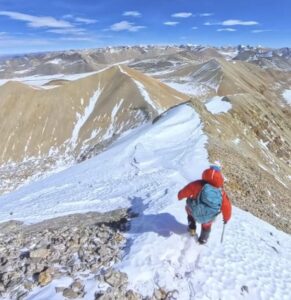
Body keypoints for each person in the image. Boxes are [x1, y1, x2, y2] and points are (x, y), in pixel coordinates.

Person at [177, 165, 232, 244]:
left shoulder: (197, 184)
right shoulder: (221, 192)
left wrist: (179, 196)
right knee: (207, 226)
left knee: (188, 208)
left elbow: (185, 191)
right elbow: (227, 206)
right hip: (209, 216)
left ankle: (192, 227)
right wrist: (226, 218)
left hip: (194, 211)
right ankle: (203, 240)